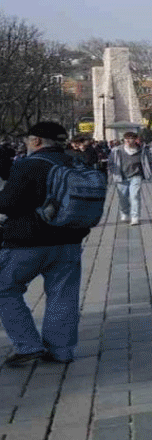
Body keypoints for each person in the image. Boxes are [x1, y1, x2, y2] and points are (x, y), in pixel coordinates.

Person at [0, 122, 94, 366]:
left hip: (27, 242)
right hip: (70, 239)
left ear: (37, 141)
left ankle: (28, 344)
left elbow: (8, 204)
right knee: (63, 295)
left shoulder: (29, 165)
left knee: (5, 289)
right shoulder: (76, 162)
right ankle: (61, 350)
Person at [107, 130, 150, 226]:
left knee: (134, 196)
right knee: (123, 197)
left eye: (130, 139)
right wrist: (113, 172)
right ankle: (125, 212)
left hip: (136, 176)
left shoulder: (141, 150)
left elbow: (147, 161)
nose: (128, 141)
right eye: (126, 139)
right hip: (121, 177)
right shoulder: (117, 150)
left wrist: (147, 171)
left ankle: (135, 217)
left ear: (135, 140)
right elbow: (110, 162)